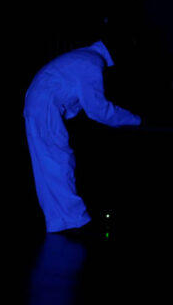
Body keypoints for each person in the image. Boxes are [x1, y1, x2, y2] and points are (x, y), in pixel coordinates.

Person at [23, 25, 142, 235]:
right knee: (57, 162)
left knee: (50, 164)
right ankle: (73, 221)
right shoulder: (91, 64)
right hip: (45, 107)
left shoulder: (84, 57)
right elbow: (99, 110)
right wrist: (136, 120)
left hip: (40, 104)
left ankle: (63, 220)